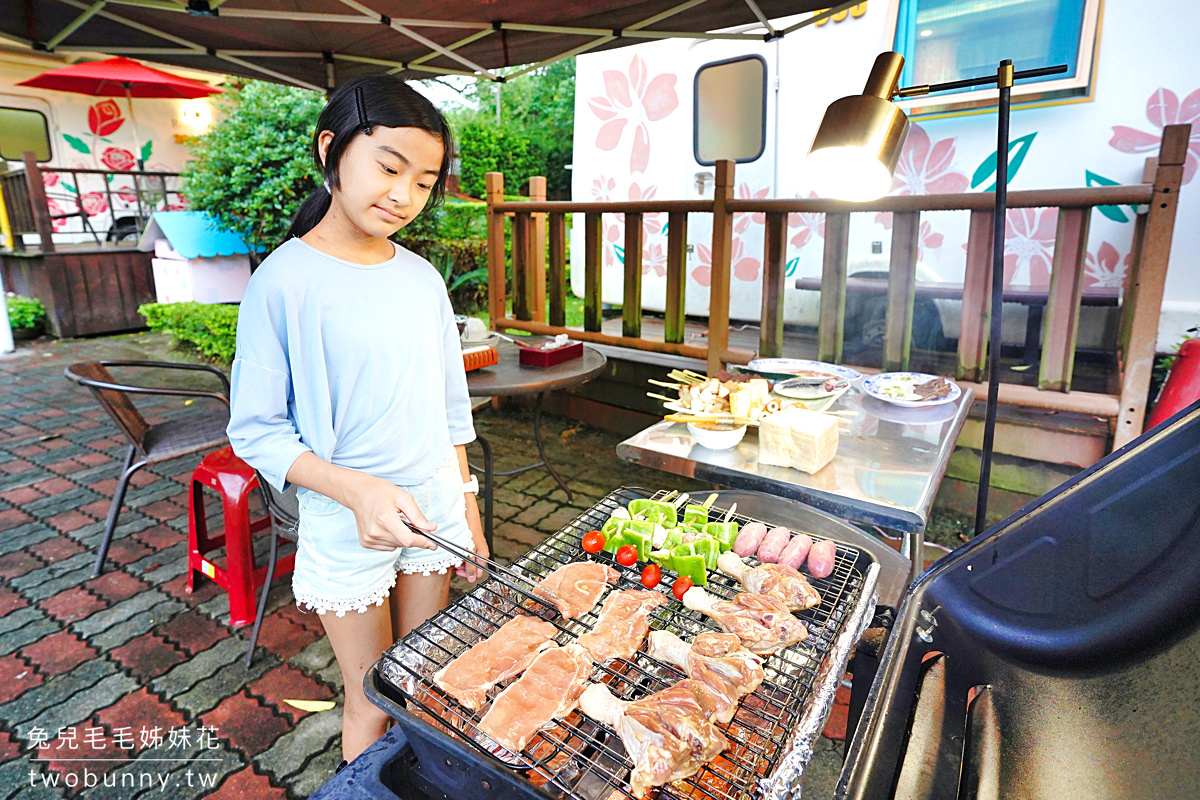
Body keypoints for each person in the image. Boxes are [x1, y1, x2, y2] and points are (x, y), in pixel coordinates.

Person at [226, 74, 487, 763]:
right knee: (370, 698)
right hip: (347, 520)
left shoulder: (422, 278)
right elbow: (255, 430)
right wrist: (358, 490)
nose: (404, 196)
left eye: (425, 181)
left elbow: (447, 404)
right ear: (330, 152)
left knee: (419, 677)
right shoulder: (282, 282)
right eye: (388, 167)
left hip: (431, 504)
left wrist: (466, 505)